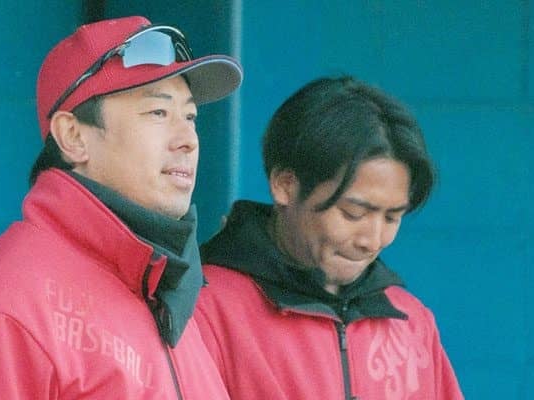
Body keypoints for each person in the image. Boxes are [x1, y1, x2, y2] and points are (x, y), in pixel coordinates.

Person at [0, 15, 242, 399]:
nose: (188, 140)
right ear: (73, 136)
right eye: (158, 113)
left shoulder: (168, 299)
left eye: (190, 116)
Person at [193, 76, 463, 399]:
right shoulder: (204, 307)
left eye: (392, 217)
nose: (372, 240)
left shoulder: (411, 321)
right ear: (285, 185)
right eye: (353, 213)